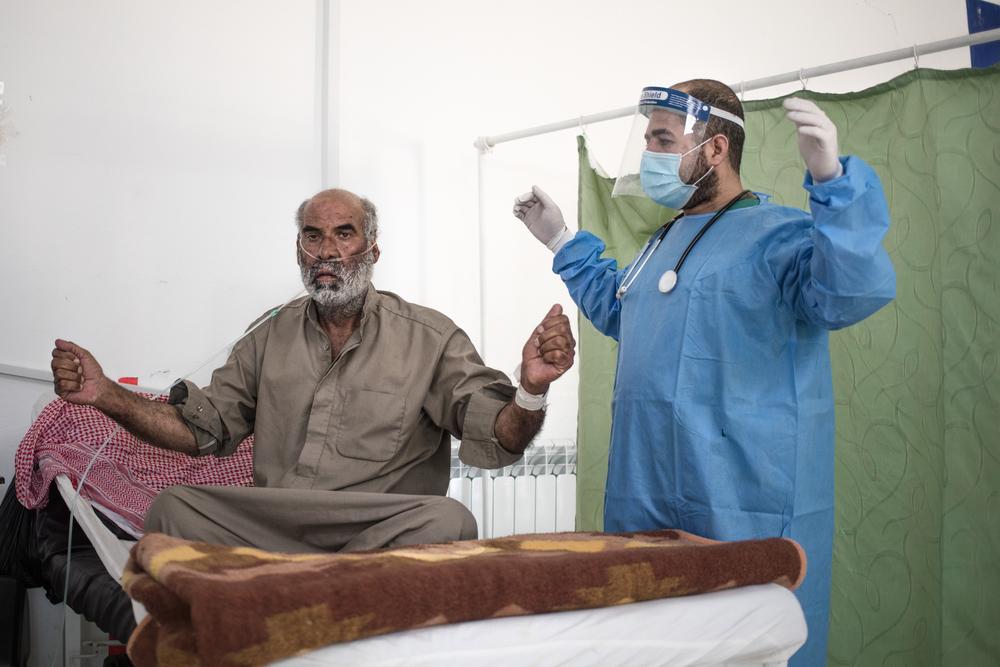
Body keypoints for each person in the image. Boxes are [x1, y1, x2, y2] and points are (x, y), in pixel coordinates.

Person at [511, 79, 895, 666]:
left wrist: (833, 186)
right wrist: (561, 240)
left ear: (714, 149)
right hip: (645, 500)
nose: (650, 154)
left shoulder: (781, 238)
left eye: (663, 139)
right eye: (648, 139)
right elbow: (625, 313)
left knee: (751, 646)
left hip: (743, 502)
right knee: (652, 646)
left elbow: (849, 292)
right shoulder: (662, 242)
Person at [50, 188, 575, 553]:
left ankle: (311, 588)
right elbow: (199, 431)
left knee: (450, 521)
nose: (327, 252)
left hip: (376, 527)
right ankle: (320, 587)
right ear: (298, 249)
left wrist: (529, 390)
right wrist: (106, 395)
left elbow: (498, 436)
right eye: (313, 236)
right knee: (173, 509)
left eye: (344, 235)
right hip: (275, 521)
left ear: (372, 248)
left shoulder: (429, 337)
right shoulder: (267, 335)